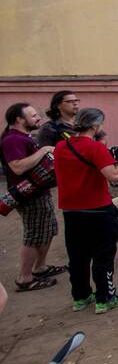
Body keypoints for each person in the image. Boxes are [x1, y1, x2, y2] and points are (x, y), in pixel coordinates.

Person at [53, 108, 118, 313]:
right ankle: (105, 297)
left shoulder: (60, 147)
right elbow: (113, 176)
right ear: (94, 126)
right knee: (103, 254)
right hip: (98, 208)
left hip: (71, 209)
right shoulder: (95, 148)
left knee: (77, 255)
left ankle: (80, 296)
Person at [2, 103, 63, 292]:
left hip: (39, 191)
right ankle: (25, 278)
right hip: (29, 194)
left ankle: (40, 267)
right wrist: (44, 151)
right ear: (19, 119)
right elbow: (17, 167)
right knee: (33, 235)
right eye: (33, 115)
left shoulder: (23, 137)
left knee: (47, 230)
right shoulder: (12, 140)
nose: (38, 118)